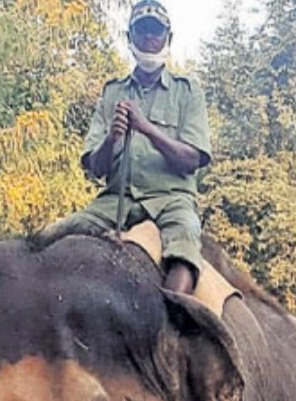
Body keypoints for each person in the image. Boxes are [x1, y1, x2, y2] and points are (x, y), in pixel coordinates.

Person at [45, 0, 211, 294]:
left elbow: (192, 159)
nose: (149, 38)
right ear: (129, 37)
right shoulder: (112, 92)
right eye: (142, 30)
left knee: (185, 242)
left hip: (171, 201)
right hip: (114, 202)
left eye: (156, 31)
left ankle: (170, 330)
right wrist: (112, 139)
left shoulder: (188, 91)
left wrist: (146, 127)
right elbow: (95, 168)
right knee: (50, 238)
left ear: (168, 38)